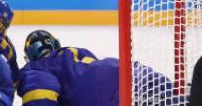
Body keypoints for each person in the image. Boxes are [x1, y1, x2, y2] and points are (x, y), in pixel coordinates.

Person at [17, 30, 186, 106]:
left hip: (110, 96)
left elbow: (42, 93)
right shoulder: (77, 53)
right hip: (134, 73)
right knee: (180, 97)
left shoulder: (36, 68)